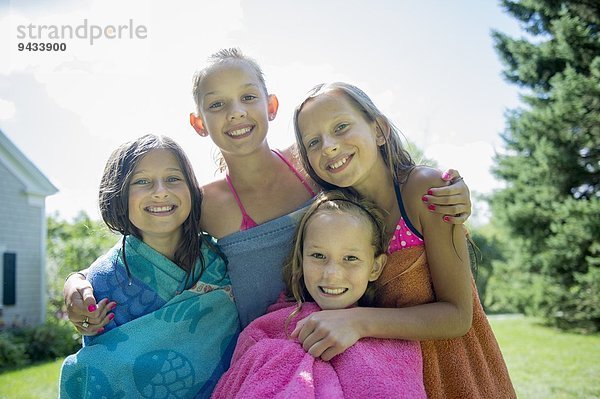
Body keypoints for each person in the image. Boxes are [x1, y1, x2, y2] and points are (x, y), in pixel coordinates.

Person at [63, 48, 472, 331]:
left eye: (247, 97)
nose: (236, 112)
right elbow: (147, 237)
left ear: (270, 106)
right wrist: (79, 280)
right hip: (267, 352)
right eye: (217, 104)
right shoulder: (207, 203)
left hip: (350, 336)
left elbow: (379, 181)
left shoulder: (313, 165)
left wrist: (450, 186)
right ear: (198, 122)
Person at [293, 82, 516, 398]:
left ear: (380, 129)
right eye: (313, 142)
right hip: (387, 377)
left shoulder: (425, 190)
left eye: (341, 127)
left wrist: (357, 322)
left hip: (452, 371)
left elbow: (457, 315)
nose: (328, 146)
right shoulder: (334, 215)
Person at [59, 135, 240, 399]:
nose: (160, 191)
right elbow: (104, 364)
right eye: (142, 181)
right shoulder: (101, 280)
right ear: (119, 195)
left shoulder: (220, 259)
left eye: (173, 179)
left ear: (191, 188)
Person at [212, 191, 427, 398]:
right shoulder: (264, 329)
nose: (332, 274)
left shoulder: (394, 338)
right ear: (302, 259)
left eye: (350, 258)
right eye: (318, 255)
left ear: (375, 267)